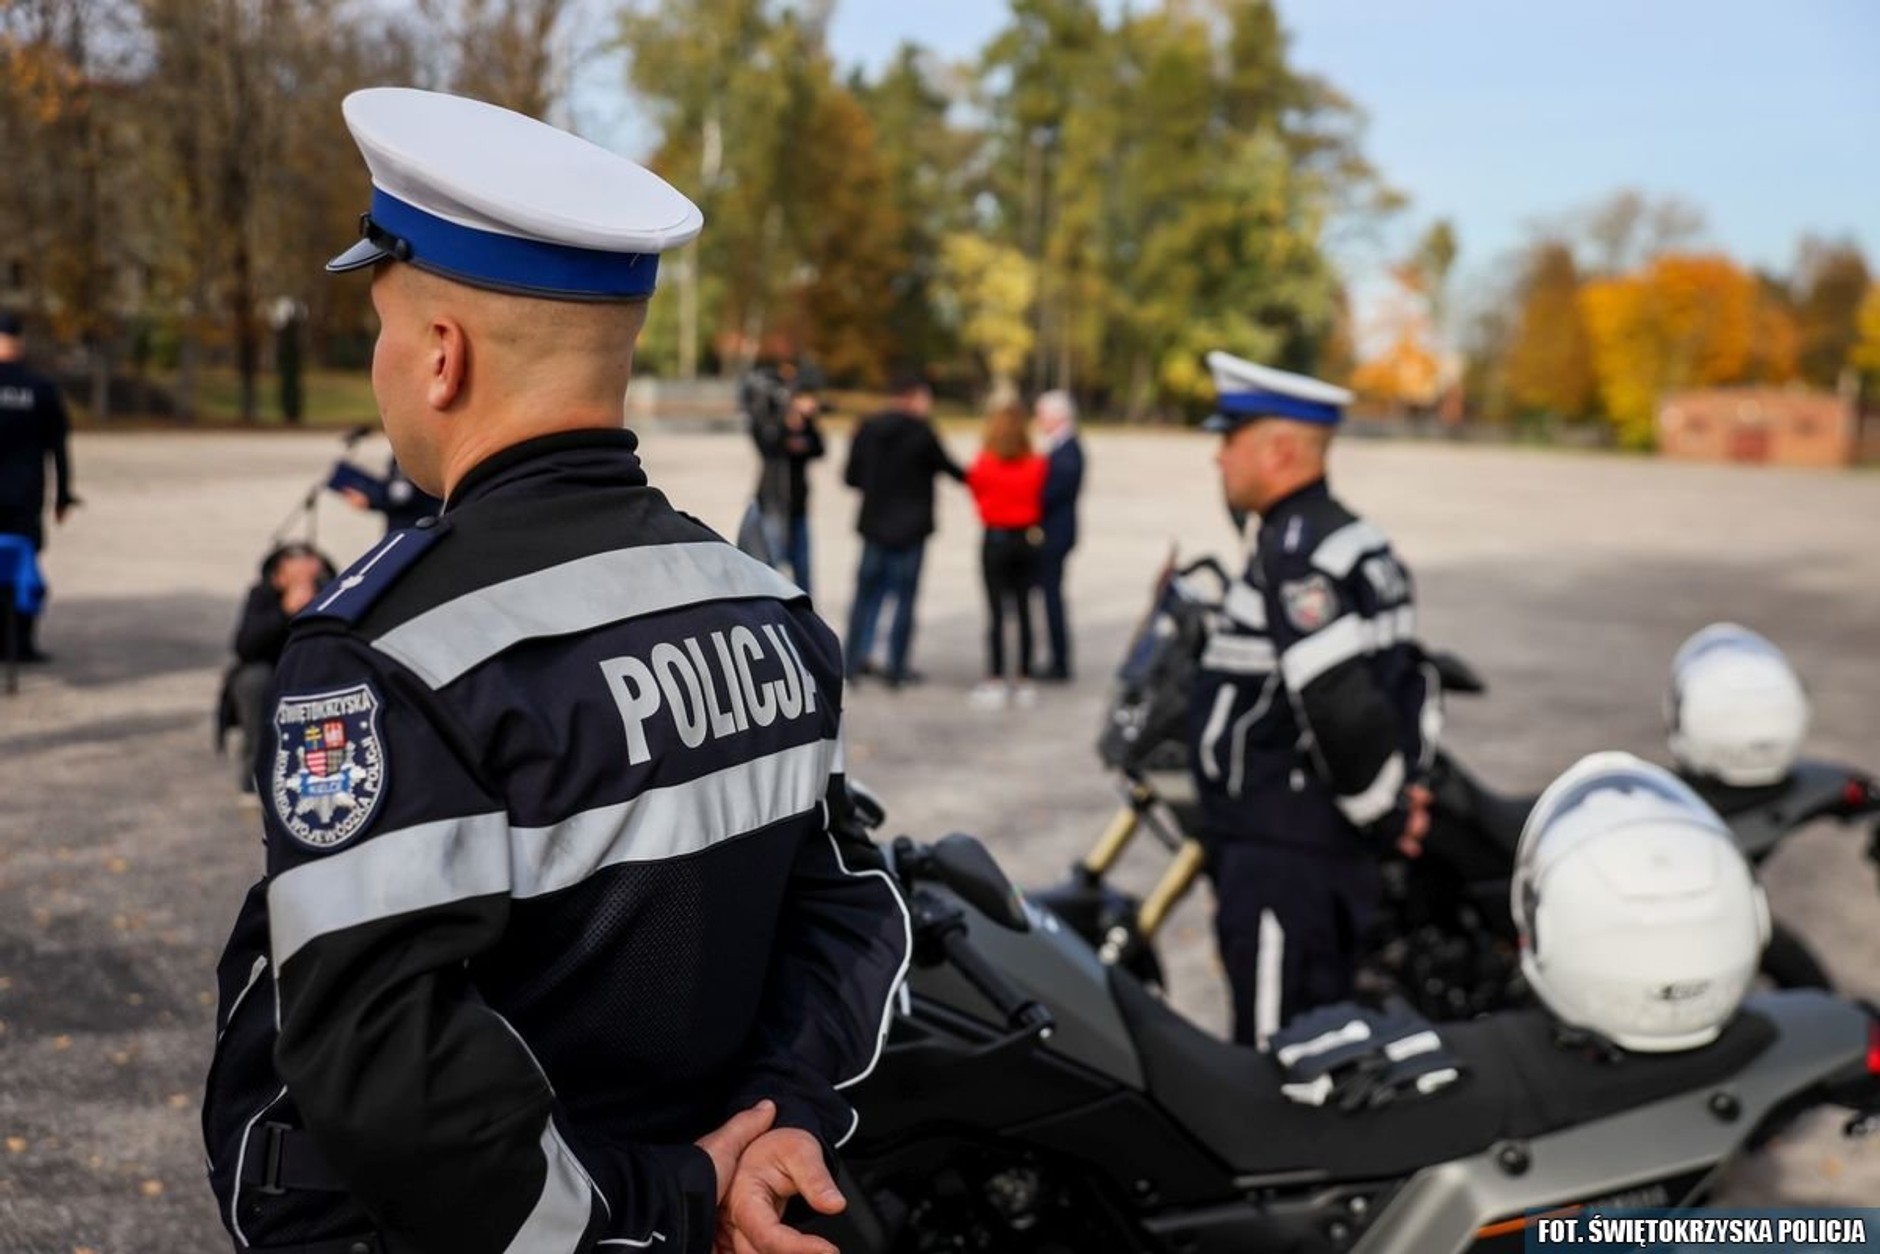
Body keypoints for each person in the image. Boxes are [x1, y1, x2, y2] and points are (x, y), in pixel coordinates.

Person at [201, 87, 909, 1254]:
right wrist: (782, 1119)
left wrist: (662, 1202)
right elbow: (844, 908)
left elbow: (387, 1076)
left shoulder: (382, 649)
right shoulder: (764, 604)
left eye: (381, 327)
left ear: (439, 356)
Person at [1188, 351, 1437, 1050]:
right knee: (1319, 1041)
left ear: (1279, 450)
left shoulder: (1300, 556)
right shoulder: (1354, 540)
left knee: (1277, 1065)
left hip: (1285, 855)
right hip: (1314, 853)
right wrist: (1396, 795)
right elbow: (1412, 680)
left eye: (1228, 441)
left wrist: (1382, 813)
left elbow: (1340, 704)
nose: (1218, 460)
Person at [842, 373, 964, 687]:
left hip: (874, 526)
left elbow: (851, 478)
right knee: (904, 600)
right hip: (911, 530)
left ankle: (854, 660)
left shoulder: (867, 428)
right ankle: (895, 667)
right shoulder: (922, 432)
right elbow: (952, 470)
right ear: (913, 397)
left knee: (865, 597)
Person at [218, 542, 336, 796]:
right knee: (253, 681)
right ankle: (255, 778)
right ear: (279, 577)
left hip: (315, 673)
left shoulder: (332, 592)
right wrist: (285, 611)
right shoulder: (263, 596)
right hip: (270, 674)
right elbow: (245, 647)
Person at [0, 312, 77, 662]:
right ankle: (21, 643)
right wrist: (62, 495)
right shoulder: (40, 388)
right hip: (24, 497)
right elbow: (58, 448)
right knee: (23, 566)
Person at [964, 400, 1047, 710]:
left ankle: (996, 678)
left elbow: (976, 491)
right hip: (1027, 538)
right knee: (1025, 610)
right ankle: (1024, 678)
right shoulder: (1037, 463)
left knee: (997, 613)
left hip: (996, 537)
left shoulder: (985, 462)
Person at [750, 383, 825, 595]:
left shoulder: (805, 427)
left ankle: (804, 616)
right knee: (770, 565)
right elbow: (767, 444)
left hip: (798, 507)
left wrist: (808, 422)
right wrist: (785, 422)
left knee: (802, 568)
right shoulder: (772, 426)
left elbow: (819, 448)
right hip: (773, 505)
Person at [1032, 389, 1084, 682]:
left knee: (1052, 599)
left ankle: (1059, 662)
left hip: (1055, 536)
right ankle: (1055, 658)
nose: (1038, 420)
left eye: (1042, 415)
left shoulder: (1067, 449)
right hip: (1054, 533)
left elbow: (1053, 492)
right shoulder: (1059, 445)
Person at [336, 455, 444, 532]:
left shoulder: (409, 451)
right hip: (419, 523)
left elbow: (401, 494)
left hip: (412, 528)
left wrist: (370, 499)